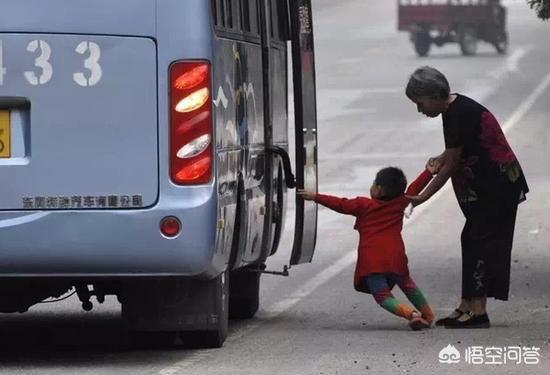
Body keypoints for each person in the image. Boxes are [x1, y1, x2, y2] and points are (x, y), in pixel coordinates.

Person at [405, 66, 529, 329]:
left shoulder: (457, 113)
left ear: (434, 95)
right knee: (471, 238)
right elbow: (458, 149)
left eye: (420, 103)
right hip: (487, 185)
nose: (420, 110)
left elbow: (451, 165)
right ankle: (466, 305)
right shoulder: (453, 110)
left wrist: (422, 197)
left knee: (480, 241)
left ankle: (478, 311)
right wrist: (443, 156)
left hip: (496, 186)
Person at [297, 166, 437, 330]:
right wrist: (429, 172)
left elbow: (340, 204)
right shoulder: (401, 202)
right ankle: (428, 315)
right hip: (395, 257)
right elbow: (415, 188)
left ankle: (411, 315)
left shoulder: (363, 205)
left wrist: (315, 197)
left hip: (372, 262)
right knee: (407, 285)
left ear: (378, 189)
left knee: (383, 297)